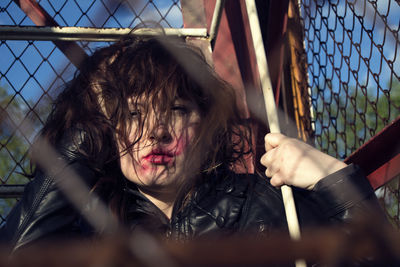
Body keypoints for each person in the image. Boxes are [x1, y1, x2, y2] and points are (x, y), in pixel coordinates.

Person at [0, 35, 381, 254]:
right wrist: (82, 140)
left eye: (177, 109)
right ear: (106, 131)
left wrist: (336, 182)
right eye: (133, 115)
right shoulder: (85, 230)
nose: (156, 132)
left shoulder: (267, 205)